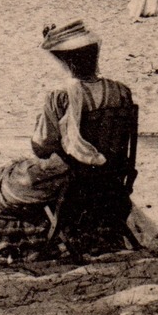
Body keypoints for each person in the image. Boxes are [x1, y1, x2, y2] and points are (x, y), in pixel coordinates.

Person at [31, 21, 139, 256]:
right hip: (113, 174)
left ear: (67, 61)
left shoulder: (60, 95)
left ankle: (40, 240)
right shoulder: (121, 91)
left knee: (9, 182)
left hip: (78, 177)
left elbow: (42, 147)